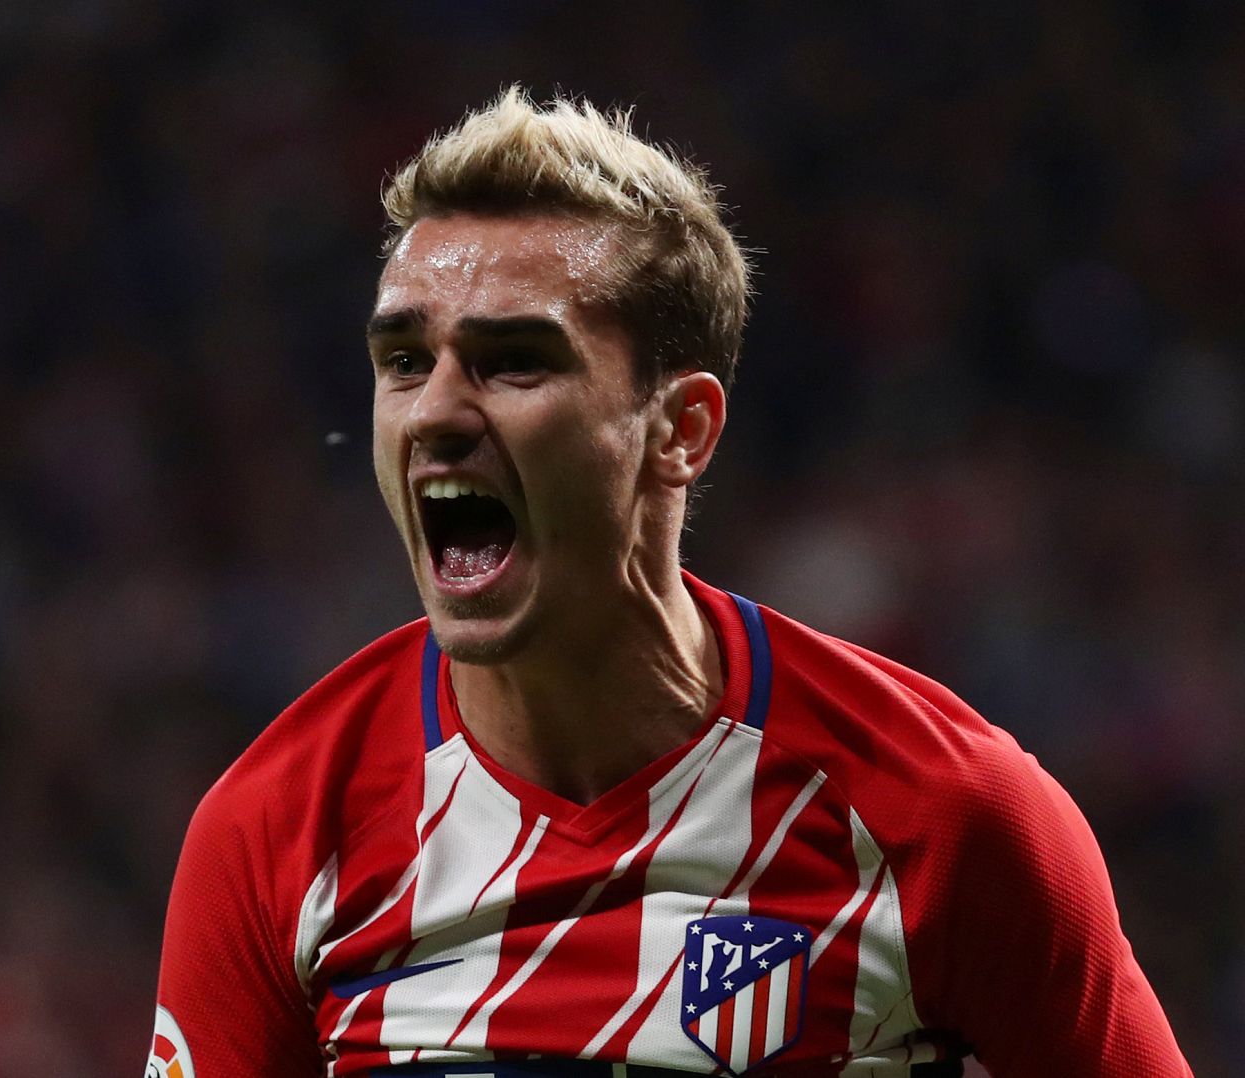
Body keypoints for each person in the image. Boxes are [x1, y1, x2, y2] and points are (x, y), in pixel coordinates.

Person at [144, 89, 1189, 1077]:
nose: (433, 413)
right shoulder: (277, 830)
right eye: (405, 361)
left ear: (678, 429)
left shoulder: (943, 811)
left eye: (513, 361)